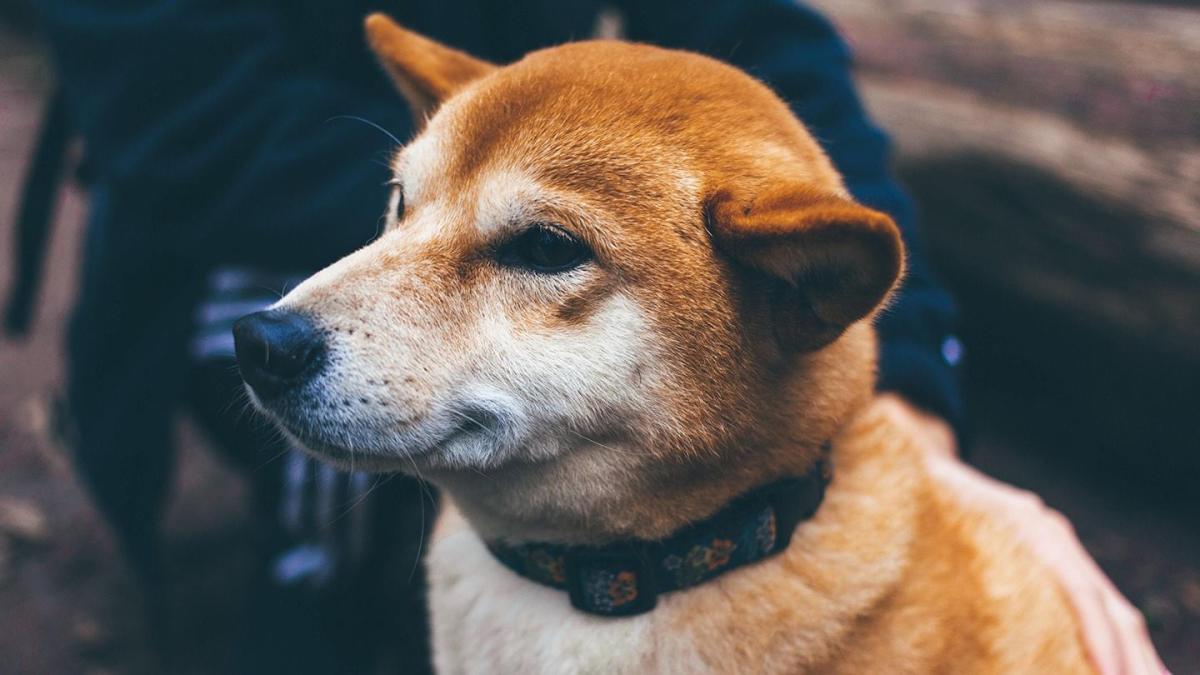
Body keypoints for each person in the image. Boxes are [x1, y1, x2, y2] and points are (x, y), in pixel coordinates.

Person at [20, 0, 1162, 673]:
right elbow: (189, 126)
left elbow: (766, 55)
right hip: (220, 216)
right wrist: (475, 185)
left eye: (539, 252)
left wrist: (914, 408)